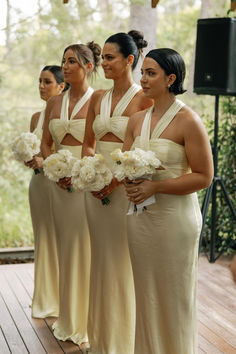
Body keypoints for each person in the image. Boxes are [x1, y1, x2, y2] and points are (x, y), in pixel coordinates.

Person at [123, 48, 214, 354]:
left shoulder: (189, 120)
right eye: (143, 72)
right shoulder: (135, 120)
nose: (143, 79)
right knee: (146, 294)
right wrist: (130, 181)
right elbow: (124, 164)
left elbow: (204, 176)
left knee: (174, 295)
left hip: (174, 222)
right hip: (139, 220)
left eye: (151, 73)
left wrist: (155, 188)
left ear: (170, 78)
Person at [82, 30, 153, 354]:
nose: (104, 63)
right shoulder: (97, 98)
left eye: (110, 57)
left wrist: (114, 180)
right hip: (94, 191)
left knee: (123, 262)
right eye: (103, 58)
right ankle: (101, 339)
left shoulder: (144, 99)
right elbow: (88, 143)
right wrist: (89, 173)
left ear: (129, 59)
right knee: (100, 260)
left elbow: (142, 150)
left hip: (126, 191)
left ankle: (123, 343)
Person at [41, 42, 101, 347]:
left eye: (72, 61)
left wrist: (80, 172)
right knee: (65, 248)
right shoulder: (54, 104)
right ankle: (67, 317)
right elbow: (45, 144)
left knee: (85, 250)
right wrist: (56, 169)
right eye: (63, 61)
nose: (65, 66)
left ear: (88, 67)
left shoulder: (98, 101)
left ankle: (87, 322)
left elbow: (99, 145)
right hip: (59, 186)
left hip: (85, 182)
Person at [25, 65, 65, 318]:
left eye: (47, 82)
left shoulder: (65, 117)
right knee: (44, 241)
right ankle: (45, 296)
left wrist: (47, 162)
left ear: (61, 86)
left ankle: (66, 298)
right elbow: (35, 149)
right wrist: (30, 158)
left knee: (64, 240)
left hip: (60, 184)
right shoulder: (35, 118)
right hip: (39, 185)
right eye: (39, 81)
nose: (41, 86)